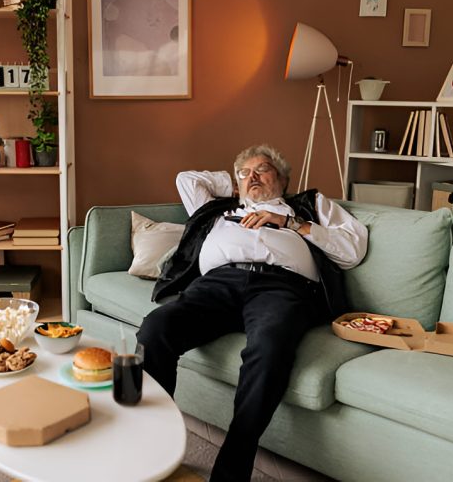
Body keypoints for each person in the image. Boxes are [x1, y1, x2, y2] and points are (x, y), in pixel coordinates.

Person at [136, 144, 368, 482]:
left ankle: (232, 470)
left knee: (271, 345)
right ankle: (150, 448)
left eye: (262, 170)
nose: (252, 177)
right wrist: (235, 183)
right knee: (156, 328)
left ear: (284, 178)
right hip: (217, 284)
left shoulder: (308, 206)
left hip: (281, 287)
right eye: (245, 173)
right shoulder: (219, 210)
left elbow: (353, 249)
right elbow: (186, 179)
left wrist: (291, 223)